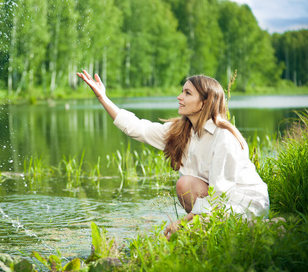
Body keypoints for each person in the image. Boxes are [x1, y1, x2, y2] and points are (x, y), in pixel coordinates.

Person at [77, 70, 270, 239]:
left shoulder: (224, 138)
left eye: (187, 93)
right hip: (217, 202)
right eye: (182, 91)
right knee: (185, 184)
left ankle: (215, 229)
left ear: (204, 103)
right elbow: (137, 127)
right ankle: (203, 229)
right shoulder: (181, 131)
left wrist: (183, 222)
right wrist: (103, 97)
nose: (180, 97)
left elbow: (220, 195)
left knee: (186, 188)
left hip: (244, 202)